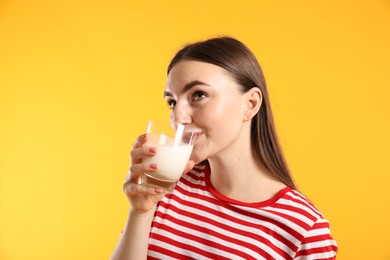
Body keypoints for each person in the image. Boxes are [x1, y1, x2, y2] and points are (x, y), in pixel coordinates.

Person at [111, 36, 338, 260]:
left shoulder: (304, 229)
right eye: (172, 102)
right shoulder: (166, 186)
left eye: (198, 95)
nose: (178, 117)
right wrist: (140, 212)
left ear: (250, 104)